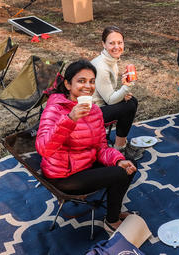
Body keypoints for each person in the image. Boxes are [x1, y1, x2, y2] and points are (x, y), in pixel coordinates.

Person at [36, 60, 137, 235]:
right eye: (81, 81)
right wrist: (70, 119)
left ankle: (114, 211)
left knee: (127, 165)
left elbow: (101, 148)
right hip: (64, 175)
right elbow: (43, 149)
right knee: (119, 173)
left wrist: (118, 159)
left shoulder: (95, 111)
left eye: (91, 81)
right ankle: (112, 221)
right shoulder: (55, 108)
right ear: (68, 84)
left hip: (85, 164)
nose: (88, 86)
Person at [91, 26, 143, 160]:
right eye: (111, 43)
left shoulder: (110, 60)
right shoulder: (101, 66)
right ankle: (120, 148)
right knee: (129, 105)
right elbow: (110, 100)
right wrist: (127, 86)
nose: (116, 46)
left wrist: (122, 92)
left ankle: (121, 143)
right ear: (103, 44)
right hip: (90, 113)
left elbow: (107, 92)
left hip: (100, 104)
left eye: (120, 42)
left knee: (131, 101)